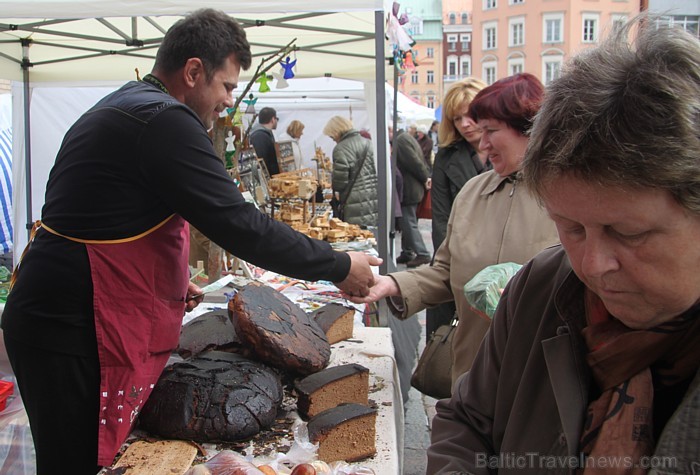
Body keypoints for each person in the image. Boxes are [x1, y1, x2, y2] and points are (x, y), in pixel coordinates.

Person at [1, 10, 380, 474]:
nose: (228, 99)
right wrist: (339, 265)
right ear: (194, 71)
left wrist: (164, 280)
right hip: (70, 327)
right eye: (225, 85)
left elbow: (105, 216)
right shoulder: (164, 120)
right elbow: (240, 225)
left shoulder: (131, 102)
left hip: (54, 313)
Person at [428, 18, 700, 473]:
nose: (592, 265)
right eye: (570, 228)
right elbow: (467, 421)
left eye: (629, 233)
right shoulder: (540, 286)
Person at [349, 73, 559, 386]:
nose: (483, 144)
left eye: (491, 131)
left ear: (529, 128)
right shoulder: (474, 193)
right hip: (471, 373)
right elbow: (446, 271)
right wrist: (391, 284)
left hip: (539, 379)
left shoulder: (567, 197)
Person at [426, 78, 487, 339]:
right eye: (457, 118)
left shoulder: (512, 151)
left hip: (503, 267)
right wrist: (455, 267)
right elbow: (440, 218)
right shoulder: (446, 155)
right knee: (447, 348)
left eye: (470, 115)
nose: (464, 124)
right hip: (457, 264)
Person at [323, 116, 378, 227]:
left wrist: (334, 182)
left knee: (355, 236)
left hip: (354, 201)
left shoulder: (341, 148)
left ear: (336, 131)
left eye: (331, 136)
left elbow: (340, 182)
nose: (332, 139)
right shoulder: (369, 143)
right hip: (373, 196)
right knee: (370, 234)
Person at [390, 127, 432, 268]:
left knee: (408, 222)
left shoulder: (400, 141)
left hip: (410, 187)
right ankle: (407, 251)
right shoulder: (406, 138)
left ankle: (422, 253)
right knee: (407, 221)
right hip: (412, 186)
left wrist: (425, 177)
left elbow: (414, 162)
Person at [249, 106, 279, 175]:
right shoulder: (260, 136)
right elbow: (261, 161)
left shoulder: (264, 134)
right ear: (273, 119)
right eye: (276, 119)